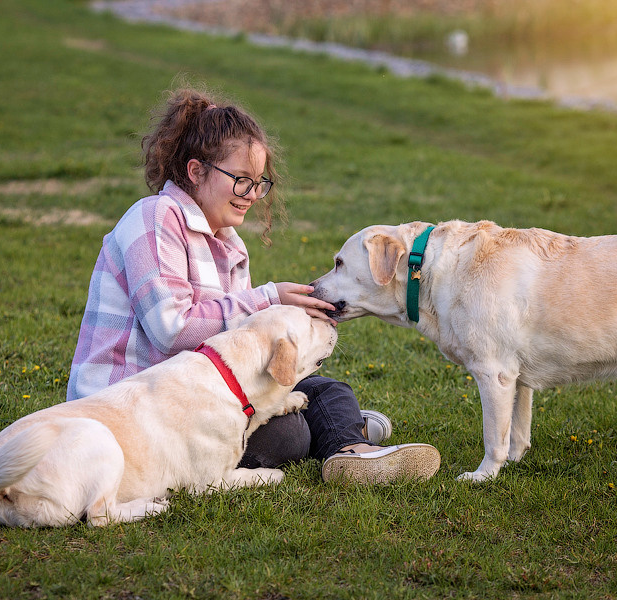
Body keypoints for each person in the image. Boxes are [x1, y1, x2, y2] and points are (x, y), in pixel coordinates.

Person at [66, 87, 441, 484]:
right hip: (131, 411)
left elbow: (236, 346)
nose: (251, 195)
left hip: (195, 394)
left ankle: (353, 451)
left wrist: (293, 319)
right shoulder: (156, 219)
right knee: (288, 434)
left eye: (259, 183)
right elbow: (171, 331)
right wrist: (266, 299)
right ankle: (335, 431)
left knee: (328, 391)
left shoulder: (230, 244)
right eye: (241, 180)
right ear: (196, 172)